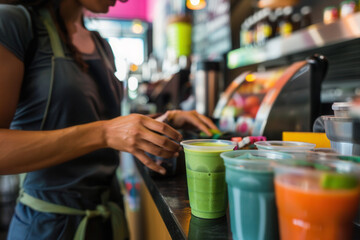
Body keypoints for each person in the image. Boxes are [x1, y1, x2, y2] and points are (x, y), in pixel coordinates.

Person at [0, 0, 219, 239]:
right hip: (48, 227)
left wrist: (162, 120)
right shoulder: (16, 23)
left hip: (109, 222)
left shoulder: (101, 44)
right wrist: (104, 133)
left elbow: (98, 121)